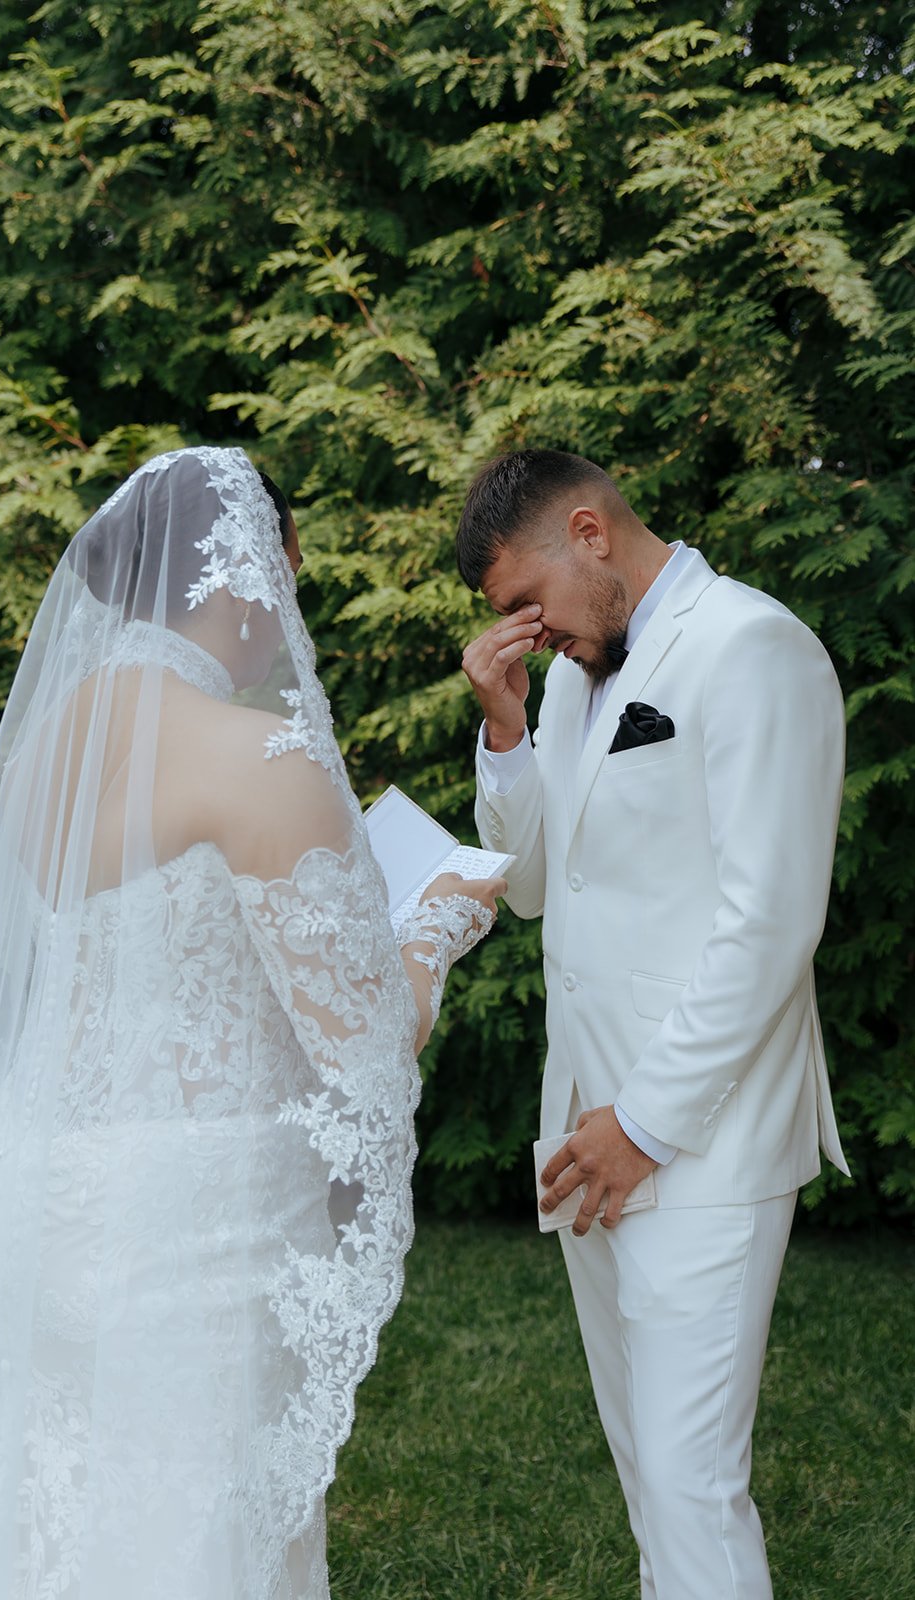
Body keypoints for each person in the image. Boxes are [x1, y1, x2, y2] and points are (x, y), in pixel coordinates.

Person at [0, 446, 504, 1600]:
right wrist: (437, 923)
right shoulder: (262, 758)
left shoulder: (43, 749)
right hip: (191, 1232)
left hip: (43, 1189)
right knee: (193, 1522)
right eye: (290, 575)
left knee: (53, 1476)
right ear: (249, 569)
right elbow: (364, 1039)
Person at [457, 447, 848, 1600]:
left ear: (588, 531)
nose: (529, 630)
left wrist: (643, 1120)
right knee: (647, 1478)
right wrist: (505, 731)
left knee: (689, 1485)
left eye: (524, 602)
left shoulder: (750, 647)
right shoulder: (577, 674)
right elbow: (532, 885)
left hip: (697, 1135)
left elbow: (768, 923)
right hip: (588, 1136)